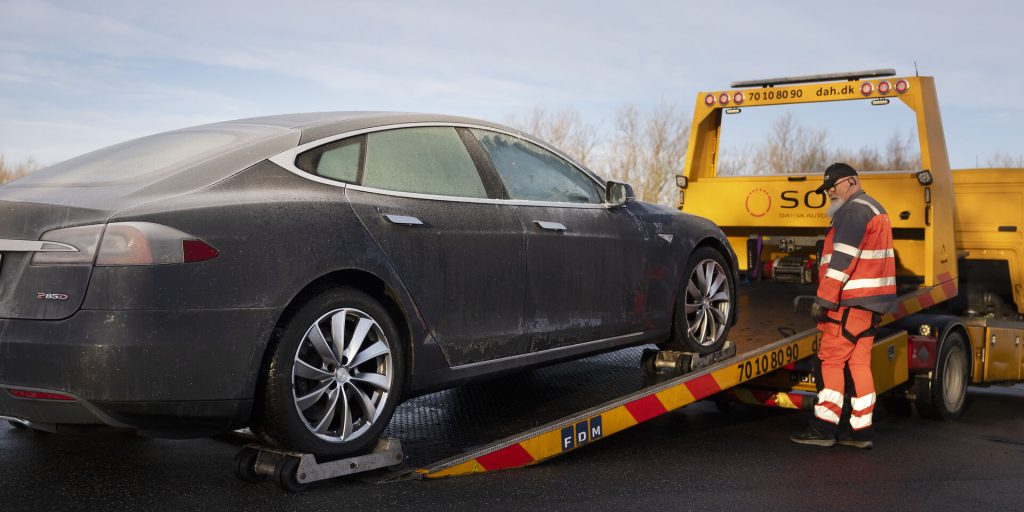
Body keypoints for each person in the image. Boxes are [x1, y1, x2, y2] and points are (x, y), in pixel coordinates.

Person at [791, 163, 897, 449]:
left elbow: (842, 260)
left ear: (851, 182)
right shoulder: (876, 209)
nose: (829, 194)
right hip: (870, 305)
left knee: (831, 360)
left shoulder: (853, 211)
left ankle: (824, 428)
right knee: (860, 364)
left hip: (847, 302)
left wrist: (824, 298)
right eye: (826, 190)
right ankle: (860, 431)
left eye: (833, 187)